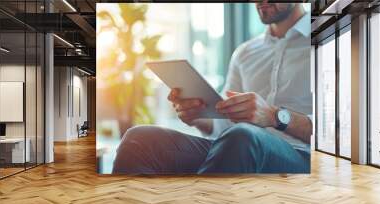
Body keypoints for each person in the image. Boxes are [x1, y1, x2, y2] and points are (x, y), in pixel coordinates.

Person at [112, 2, 312, 174]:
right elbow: (225, 126)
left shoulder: (327, 36)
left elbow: (340, 132)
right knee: (139, 139)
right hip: (238, 145)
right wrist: (198, 117)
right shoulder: (244, 53)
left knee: (243, 136)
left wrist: (274, 116)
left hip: (302, 156)